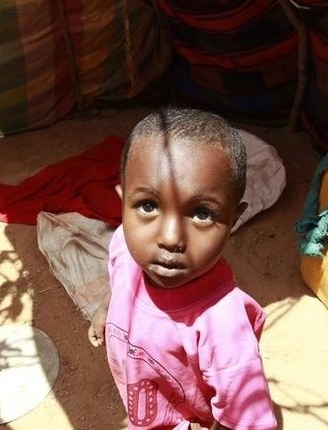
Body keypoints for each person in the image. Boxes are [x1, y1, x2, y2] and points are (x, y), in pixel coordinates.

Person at [88, 107, 277, 430]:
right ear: (122, 204)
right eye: (148, 206)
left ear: (234, 220)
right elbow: (118, 280)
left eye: (202, 213)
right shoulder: (124, 244)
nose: (171, 238)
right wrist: (105, 309)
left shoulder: (222, 326)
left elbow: (246, 421)